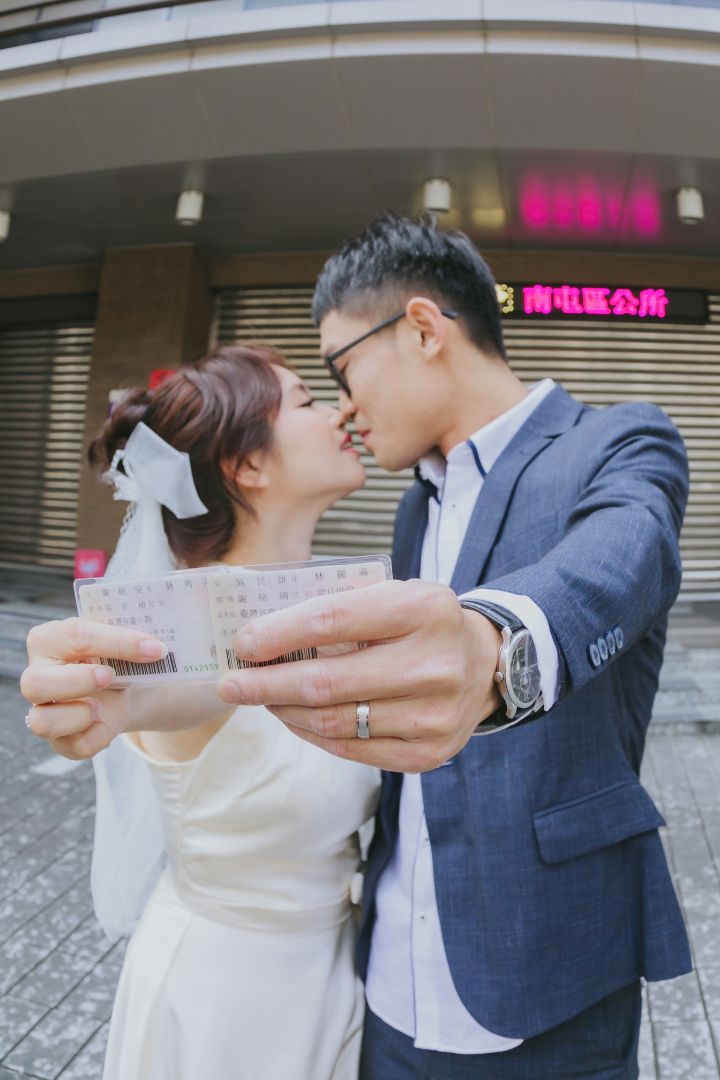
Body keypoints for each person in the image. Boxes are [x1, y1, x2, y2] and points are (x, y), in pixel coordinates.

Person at [22, 214, 692, 1079]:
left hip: (546, 980)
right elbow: (205, 670)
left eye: (338, 369)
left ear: (422, 329)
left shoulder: (617, 443)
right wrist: (109, 687)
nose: (340, 406)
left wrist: (499, 646)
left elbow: (623, 557)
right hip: (376, 994)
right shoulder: (411, 509)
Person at [24, 343, 380, 1080]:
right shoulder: (191, 621)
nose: (341, 411)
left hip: (330, 971)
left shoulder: (334, 609)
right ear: (248, 465)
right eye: (308, 401)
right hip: (226, 996)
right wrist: (91, 694)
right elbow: (159, 683)